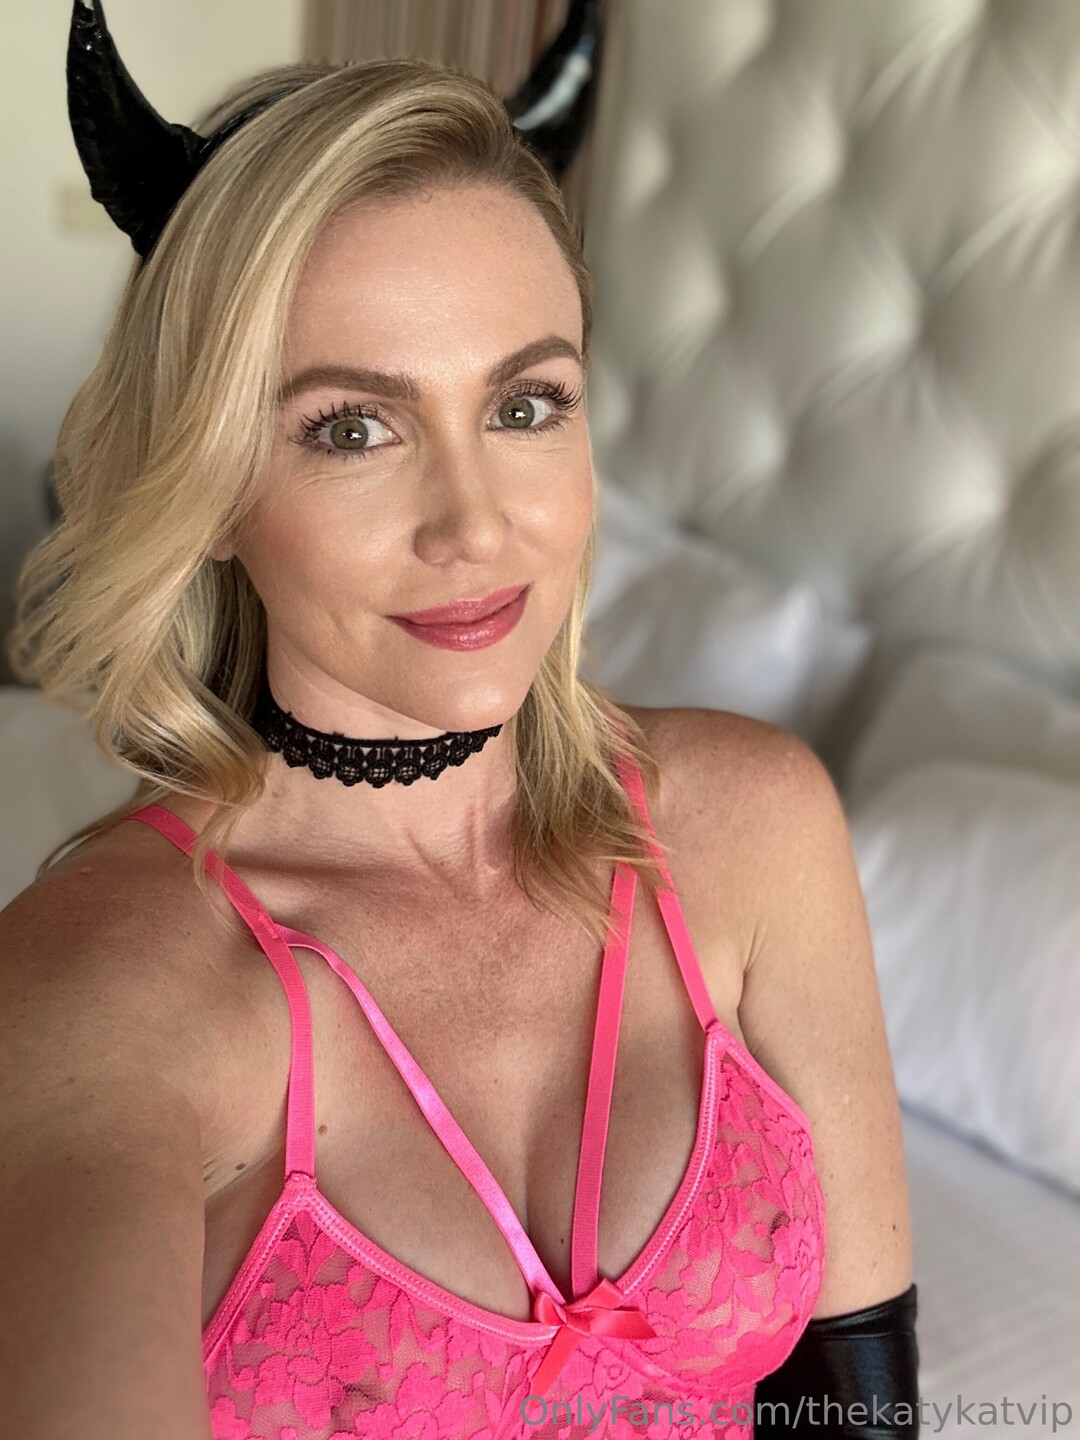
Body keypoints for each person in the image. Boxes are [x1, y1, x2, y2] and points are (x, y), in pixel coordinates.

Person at [0, 4, 918, 1438]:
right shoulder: (106, 992)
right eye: (352, 428)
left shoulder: (755, 823)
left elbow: (860, 1405)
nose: (476, 527)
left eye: (526, 404)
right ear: (213, 487)